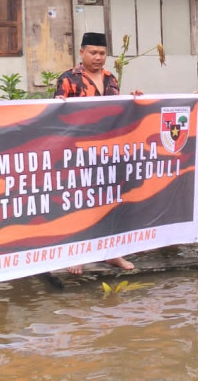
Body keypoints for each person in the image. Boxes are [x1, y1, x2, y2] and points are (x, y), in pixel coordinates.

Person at [54, 32, 134, 274]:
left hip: (108, 153)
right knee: (80, 204)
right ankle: (77, 254)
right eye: (93, 53)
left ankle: (112, 253)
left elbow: (119, 111)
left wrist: (135, 101)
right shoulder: (69, 79)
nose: (98, 58)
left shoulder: (111, 79)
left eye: (102, 53)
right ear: (82, 53)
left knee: (110, 203)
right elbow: (55, 116)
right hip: (79, 154)